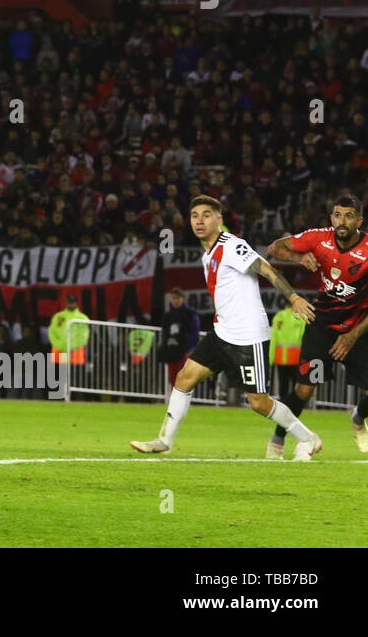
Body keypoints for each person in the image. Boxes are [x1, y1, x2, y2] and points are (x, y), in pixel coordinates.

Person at [131, 196, 321, 459]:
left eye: (206, 214)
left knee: (259, 403)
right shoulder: (206, 255)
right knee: (185, 378)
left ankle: (308, 438)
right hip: (222, 332)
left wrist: (294, 297)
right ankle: (164, 440)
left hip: (248, 335)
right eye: (195, 215)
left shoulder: (232, 245)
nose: (199, 220)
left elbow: (266, 269)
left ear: (219, 219)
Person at [264, 195, 368, 458]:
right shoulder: (318, 237)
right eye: (337, 215)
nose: (341, 221)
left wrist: (352, 336)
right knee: (305, 389)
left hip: (358, 327)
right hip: (322, 325)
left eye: (348, 216)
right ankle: (278, 440)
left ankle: (358, 416)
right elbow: (273, 248)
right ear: (331, 217)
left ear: (359, 220)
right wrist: (296, 257)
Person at [160, 288, 200, 391]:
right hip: (171, 351)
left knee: (184, 378)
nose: (175, 300)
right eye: (173, 298)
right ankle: (175, 402)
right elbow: (165, 334)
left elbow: (194, 332)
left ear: (183, 299)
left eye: (178, 298)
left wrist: (190, 348)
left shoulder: (190, 314)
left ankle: (184, 401)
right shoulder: (167, 316)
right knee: (172, 379)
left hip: (184, 351)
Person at [48, 294, 89, 365]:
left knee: (74, 374)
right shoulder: (58, 316)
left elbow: (84, 336)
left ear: (76, 303)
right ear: (66, 303)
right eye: (69, 302)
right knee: (61, 373)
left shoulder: (82, 318)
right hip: (60, 350)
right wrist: (60, 345)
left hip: (75, 352)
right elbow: (52, 332)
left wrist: (70, 346)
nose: (70, 304)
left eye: (72, 302)